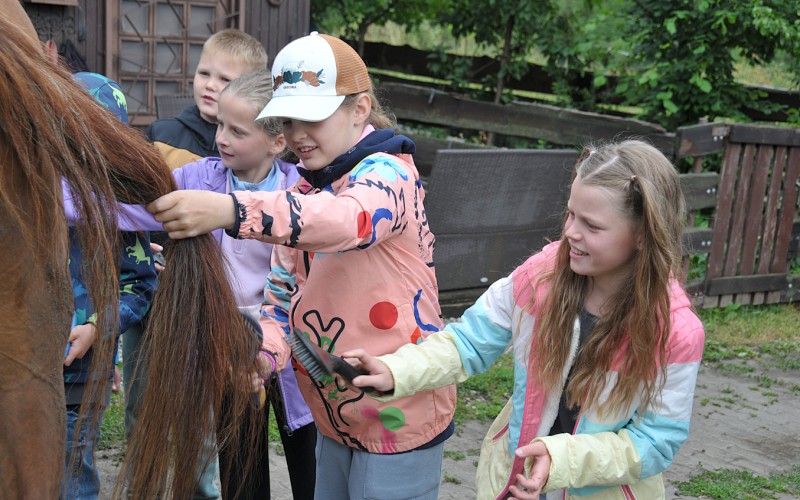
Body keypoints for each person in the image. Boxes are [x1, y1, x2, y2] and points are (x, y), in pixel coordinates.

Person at [146, 32, 457, 500]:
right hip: (335, 418)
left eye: (312, 118)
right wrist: (265, 357)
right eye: (288, 120)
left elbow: (348, 221)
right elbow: (279, 301)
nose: (296, 135)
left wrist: (233, 209)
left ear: (359, 109)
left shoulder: (390, 175)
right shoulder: (305, 193)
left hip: (399, 417)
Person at [344, 140, 706, 500]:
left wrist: (561, 459)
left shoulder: (674, 332)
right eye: (570, 214)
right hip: (518, 480)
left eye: (592, 226)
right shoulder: (541, 278)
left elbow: (657, 441)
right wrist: (397, 371)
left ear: (643, 234)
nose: (570, 233)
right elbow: (469, 342)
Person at [107, 70, 316, 499]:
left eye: (237, 131)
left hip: (292, 340)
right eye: (220, 124)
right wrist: (69, 202)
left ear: (277, 142)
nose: (221, 137)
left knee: (308, 457)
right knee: (241, 465)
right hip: (229, 344)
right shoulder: (200, 178)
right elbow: (136, 211)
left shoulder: (303, 192)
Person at [62, 71, 157, 500]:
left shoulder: (122, 206)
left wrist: (98, 327)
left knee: (71, 475)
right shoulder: (28, 194)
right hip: (19, 368)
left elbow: (140, 285)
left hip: (82, 377)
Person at [145, 28, 268, 170]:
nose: (210, 85)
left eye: (225, 79)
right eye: (204, 73)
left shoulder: (255, 147)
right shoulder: (162, 134)